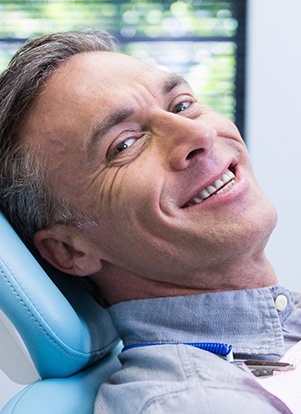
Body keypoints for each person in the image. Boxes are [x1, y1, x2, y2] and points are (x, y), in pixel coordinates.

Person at [0, 31, 298, 413]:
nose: (199, 133)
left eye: (182, 104)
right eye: (124, 145)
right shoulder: (194, 403)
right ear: (70, 250)